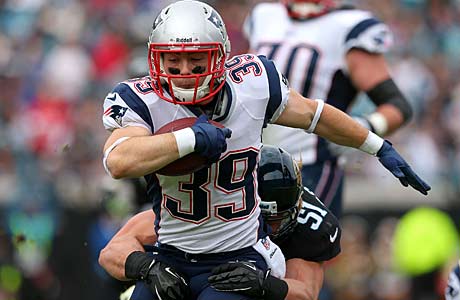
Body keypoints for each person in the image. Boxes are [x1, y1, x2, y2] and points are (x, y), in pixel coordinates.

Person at [101, 1, 429, 299]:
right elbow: (118, 160)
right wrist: (190, 139)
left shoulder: (253, 86)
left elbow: (315, 115)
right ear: (155, 57)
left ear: (220, 56)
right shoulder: (141, 99)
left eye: (196, 59)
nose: (185, 71)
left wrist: (376, 145)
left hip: (237, 255)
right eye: (173, 61)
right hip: (172, 254)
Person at [99, 145, 342, 300]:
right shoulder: (210, 203)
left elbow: (305, 294)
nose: (270, 228)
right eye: (263, 218)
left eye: (277, 220)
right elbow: (112, 251)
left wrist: (264, 285)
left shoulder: (311, 226)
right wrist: (148, 268)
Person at [243, 0, 413, 217]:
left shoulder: (348, 26)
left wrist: (367, 126)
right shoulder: (264, 15)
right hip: (253, 161)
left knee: (304, 248)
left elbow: (398, 105)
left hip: (312, 165)